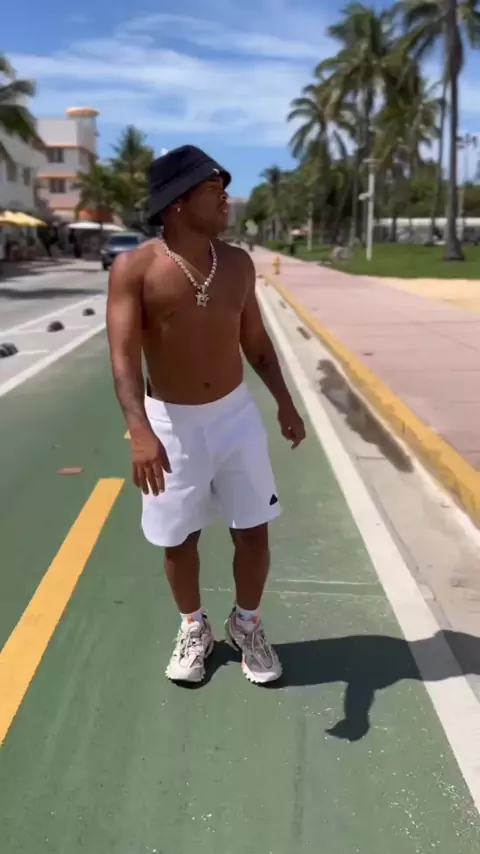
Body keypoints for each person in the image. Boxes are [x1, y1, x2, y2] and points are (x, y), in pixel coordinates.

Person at [106, 145, 305, 686]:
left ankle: (247, 624)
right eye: (213, 192)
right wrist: (140, 430)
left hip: (235, 416)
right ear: (177, 203)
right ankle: (194, 627)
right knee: (179, 539)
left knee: (254, 530)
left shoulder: (237, 264)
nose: (225, 201)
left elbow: (256, 344)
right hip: (170, 423)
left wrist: (285, 402)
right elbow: (123, 359)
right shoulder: (135, 269)